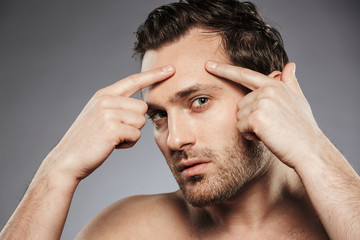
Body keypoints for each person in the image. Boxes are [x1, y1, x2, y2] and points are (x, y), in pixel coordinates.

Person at [1, 0, 359, 239]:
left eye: (199, 101)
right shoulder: (131, 230)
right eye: (159, 114)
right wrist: (57, 171)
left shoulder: (340, 219)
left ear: (273, 96)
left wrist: (313, 147)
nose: (174, 140)